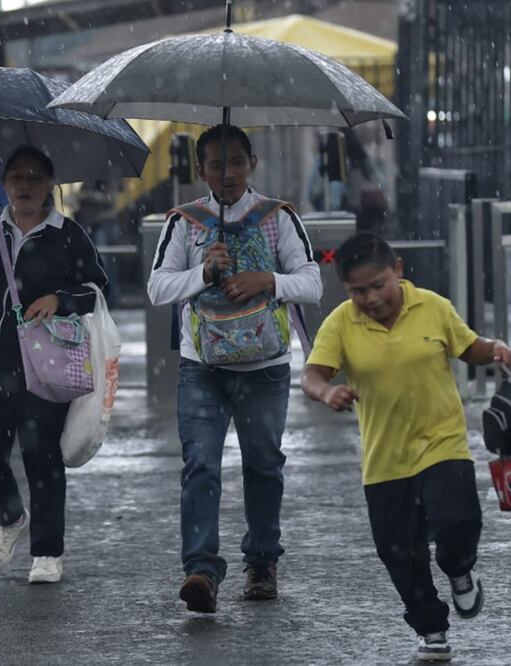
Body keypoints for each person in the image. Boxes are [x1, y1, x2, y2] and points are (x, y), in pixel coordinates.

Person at [300, 233, 511, 662]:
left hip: (443, 443)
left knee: (457, 522)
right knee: (400, 552)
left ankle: (458, 570)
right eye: (358, 291)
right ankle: (431, 628)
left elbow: (467, 346)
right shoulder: (342, 322)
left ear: (397, 270)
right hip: (385, 461)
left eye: (378, 284)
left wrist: (494, 349)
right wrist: (327, 393)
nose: (371, 298)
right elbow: (312, 375)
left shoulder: (433, 307)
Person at [147, 124, 322, 613]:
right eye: (216, 164)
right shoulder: (184, 222)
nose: (228, 174)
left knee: (264, 465)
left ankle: (262, 562)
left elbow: (312, 282)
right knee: (200, 464)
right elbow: (158, 288)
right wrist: (202, 271)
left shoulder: (278, 217)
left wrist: (267, 279)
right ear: (200, 170)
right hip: (201, 367)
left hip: (266, 367)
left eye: (237, 162)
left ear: (253, 164)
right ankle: (201, 570)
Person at [0, 146, 107, 584]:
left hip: (47, 364)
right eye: (17, 176)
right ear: (3, 183)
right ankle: (10, 517)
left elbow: (97, 288)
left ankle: (48, 552)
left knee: (42, 456)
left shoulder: (68, 235)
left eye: (36, 177)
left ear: (51, 184)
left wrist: (61, 299)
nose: (26, 185)